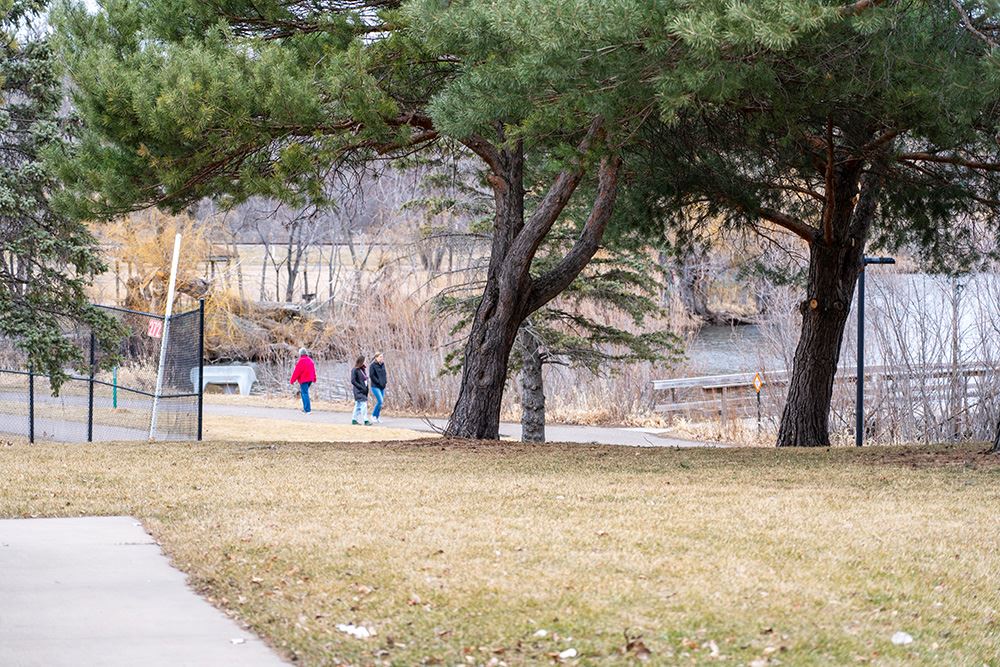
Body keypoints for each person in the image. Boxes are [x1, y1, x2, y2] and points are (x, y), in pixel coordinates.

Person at [289, 347, 317, 413]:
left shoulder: (301, 361)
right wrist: (314, 378)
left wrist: (292, 380)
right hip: (310, 379)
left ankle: (307, 410)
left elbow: (296, 372)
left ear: (300, 354)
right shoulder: (310, 360)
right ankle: (306, 408)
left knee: (304, 393)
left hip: (304, 380)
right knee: (304, 393)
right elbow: (313, 371)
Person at [350, 355, 371, 425]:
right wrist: (361, 387)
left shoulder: (362, 369)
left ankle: (354, 419)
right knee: (364, 404)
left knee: (358, 405)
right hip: (358, 390)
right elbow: (353, 381)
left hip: (363, 390)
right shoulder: (355, 370)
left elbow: (364, 379)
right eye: (364, 361)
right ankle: (366, 420)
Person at [369, 352, 387, 424]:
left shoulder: (382, 365)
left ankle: (377, 416)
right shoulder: (372, 366)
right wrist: (378, 382)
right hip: (375, 386)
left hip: (382, 386)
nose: (381, 358)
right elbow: (372, 376)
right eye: (380, 357)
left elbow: (384, 374)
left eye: (382, 357)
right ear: (376, 358)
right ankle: (373, 415)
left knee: (381, 403)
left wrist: (385, 382)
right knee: (380, 401)